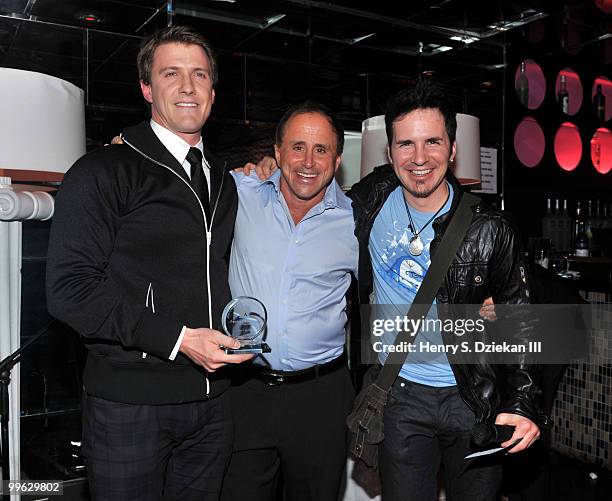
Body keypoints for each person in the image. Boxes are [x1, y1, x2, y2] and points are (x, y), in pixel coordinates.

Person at [46, 26, 254, 501]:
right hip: (129, 404)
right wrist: (178, 340)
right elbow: (69, 290)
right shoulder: (103, 169)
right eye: (171, 73)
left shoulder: (223, 178)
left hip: (214, 402)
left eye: (199, 74)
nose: (187, 86)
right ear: (146, 88)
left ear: (213, 92)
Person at [347, 80, 544, 500]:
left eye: (433, 142)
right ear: (390, 152)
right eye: (406, 144)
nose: (419, 158)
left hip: (473, 395)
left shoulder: (491, 228)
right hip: (398, 395)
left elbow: (520, 318)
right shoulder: (366, 202)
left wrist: (524, 402)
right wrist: (261, 169)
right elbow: (307, 187)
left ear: (453, 149)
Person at [220, 102, 358, 501]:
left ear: (337, 159)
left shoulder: (354, 222)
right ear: (277, 153)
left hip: (320, 397)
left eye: (321, 150)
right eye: (297, 147)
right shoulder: (238, 192)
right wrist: (126, 150)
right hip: (246, 390)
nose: (308, 162)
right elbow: (177, 189)